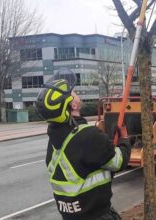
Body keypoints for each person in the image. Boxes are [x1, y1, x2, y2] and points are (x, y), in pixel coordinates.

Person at [36, 77, 131, 220]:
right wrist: (124, 139)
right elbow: (118, 162)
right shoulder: (88, 135)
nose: (75, 92)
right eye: (72, 92)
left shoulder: (54, 142)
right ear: (72, 105)